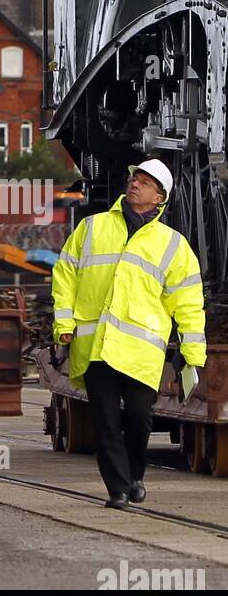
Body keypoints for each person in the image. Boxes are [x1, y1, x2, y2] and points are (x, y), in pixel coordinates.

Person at [51, 158, 206, 508]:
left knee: (139, 417)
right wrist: (63, 325)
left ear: (159, 198)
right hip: (97, 346)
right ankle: (118, 489)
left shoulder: (173, 246)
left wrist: (193, 355)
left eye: (146, 182)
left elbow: (189, 302)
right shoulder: (92, 228)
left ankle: (135, 473)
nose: (135, 184)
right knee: (105, 420)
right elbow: (65, 276)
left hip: (140, 352)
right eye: (135, 177)